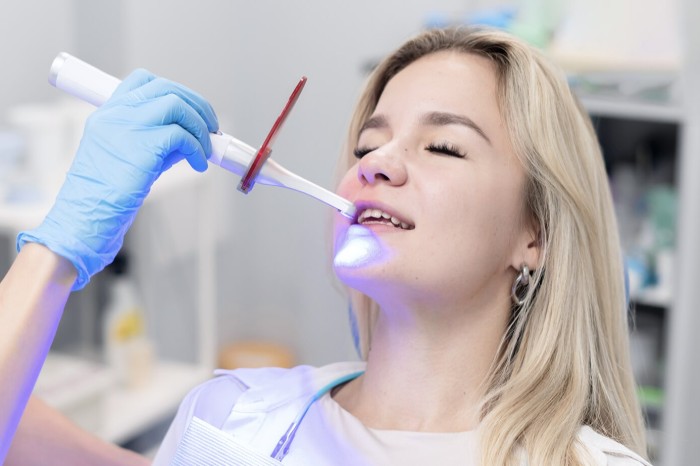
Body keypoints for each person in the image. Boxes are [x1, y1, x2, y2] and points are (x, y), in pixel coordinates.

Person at [1, 26, 651, 465]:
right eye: (368, 145)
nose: (377, 164)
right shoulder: (231, 419)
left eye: (443, 146)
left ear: (534, 235)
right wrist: (56, 251)